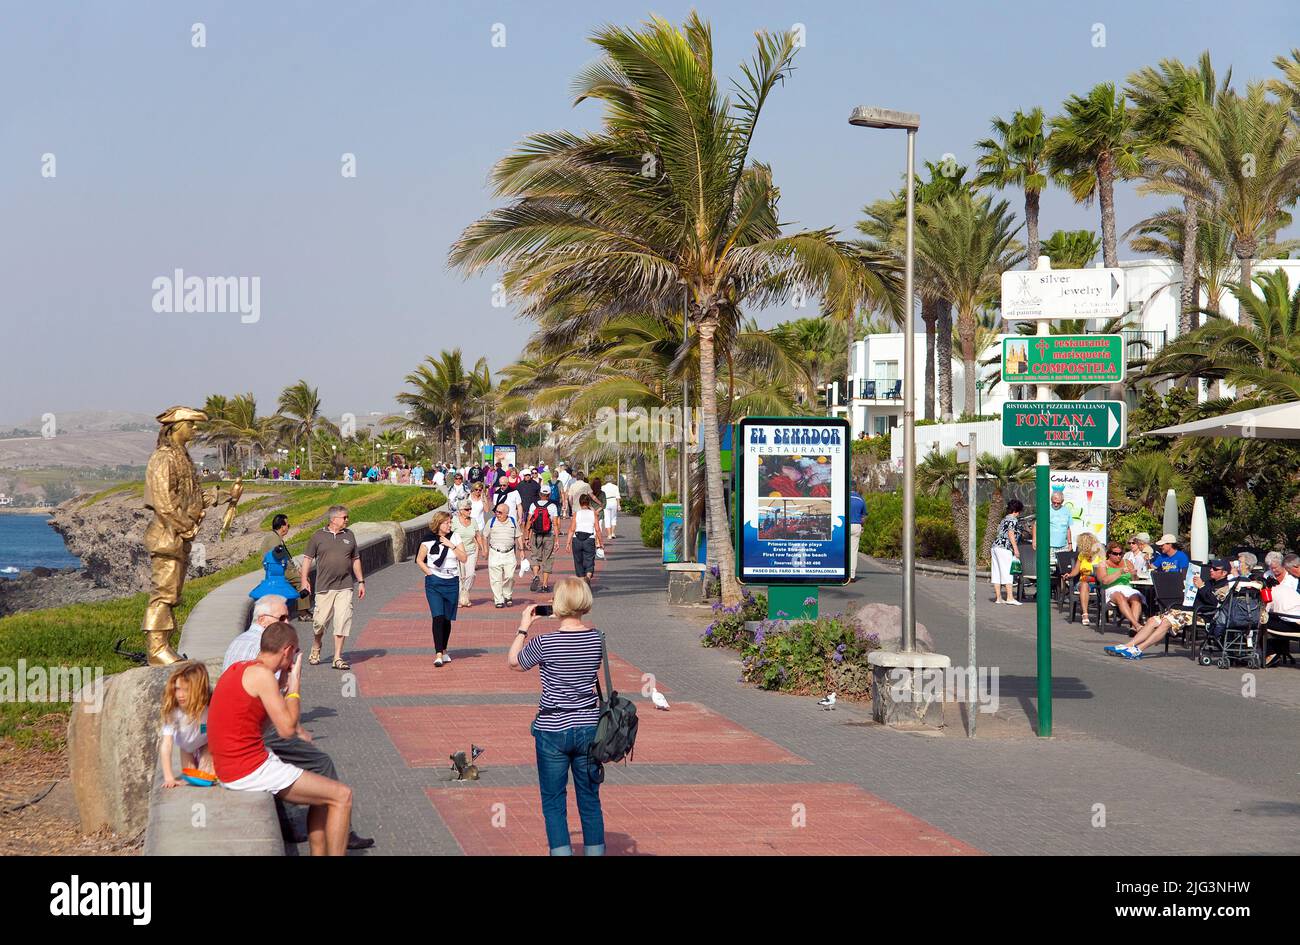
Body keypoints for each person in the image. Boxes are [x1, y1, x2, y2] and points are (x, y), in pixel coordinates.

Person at [222, 596, 373, 850]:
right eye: (281, 619)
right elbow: (285, 727)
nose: (287, 622)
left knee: (320, 784)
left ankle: (310, 834)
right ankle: (334, 832)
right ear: (286, 651)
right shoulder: (260, 667)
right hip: (245, 761)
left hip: (237, 751)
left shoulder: (245, 654)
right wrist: (295, 684)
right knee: (338, 792)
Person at [508, 577, 605, 856]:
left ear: (557, 605)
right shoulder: (597, 639)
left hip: (552, 728)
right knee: (589, 800)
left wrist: (523, 627)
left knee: (553, 802)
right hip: (588, 726)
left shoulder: (545, 642)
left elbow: (514, 662)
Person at [1108, 559, 1240, 660]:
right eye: (1211, 567)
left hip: (1204, 615)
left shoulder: (1225, 586)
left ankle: (1139, 649)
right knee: (1153, 620)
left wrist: (1202, 587)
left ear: (1224, 573)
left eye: (1215, 569)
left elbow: (1215, 604)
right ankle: (1129, 645)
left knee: (1166, 622)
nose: (1211, 570)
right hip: (1189, 611)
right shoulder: (1209, 581)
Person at [300, 505, 366, 670]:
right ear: (334, 519)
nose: (347, 520)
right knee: (319, 623)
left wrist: (361, 581)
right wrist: (304, 581)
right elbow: (307, 559)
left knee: (342, 620)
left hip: (345, 586)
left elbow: (355, 559)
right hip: (324, 587)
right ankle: (317, 645)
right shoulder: (318, 536)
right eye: (344, 517)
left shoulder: (349, 535)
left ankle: (338, 657)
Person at [417, 511, 468, 667]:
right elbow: (419, 560)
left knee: (447, 618)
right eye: (447, 522)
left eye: (450, 522)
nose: (450, 525)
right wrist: (430, 574)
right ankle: (438, 653)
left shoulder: (455, 537)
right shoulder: (427, 539)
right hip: (434, 582)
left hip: (452, 581)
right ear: (438, 523)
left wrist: (451, 545)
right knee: (437, 616)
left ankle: (444, 650)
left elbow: (464, 558)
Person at [158, 662, 213, 788]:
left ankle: (205, 760)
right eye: (177, 689)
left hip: (206, 743)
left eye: (186, 690)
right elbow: (167, 744)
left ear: (199, 691)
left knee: (206, 777)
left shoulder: (208, 705)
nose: (180, 695)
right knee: (191, 778)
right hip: (186, 748)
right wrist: (169, 777)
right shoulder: (174, 712)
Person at [1094, 542, 1145, 628]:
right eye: (1115, 553)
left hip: (1127, 588)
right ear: (1109, 554)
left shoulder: (1127, 562)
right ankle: (1136, 625)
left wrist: (1134, 575)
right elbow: (1104, 581)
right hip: (1111, 590)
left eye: (1120, 553)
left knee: (1136, 597)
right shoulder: (1103, 564)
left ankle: (1133, 627)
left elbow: (1135, 581)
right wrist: (1120, 572)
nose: (1118, 556)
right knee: (1119, 595)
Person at [485, 501, 522, 608]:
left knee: (509, 576)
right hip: (494, 553)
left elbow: (518, 536)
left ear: (507, 513)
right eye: (496, 512)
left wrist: (522, 549)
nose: (497, 514)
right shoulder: (491, 521)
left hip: (509, 553)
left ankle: (507, 595)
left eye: (500, 512)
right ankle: (498, 600)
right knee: (495, 579)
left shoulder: (513, 522)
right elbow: (484, 536)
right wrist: (484, 549)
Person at [451, 500, 486, 607]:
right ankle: (460, 599)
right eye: (467, 509)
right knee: (459, 576)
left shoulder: (473, 521)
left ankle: (464, 593)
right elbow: (448, 534)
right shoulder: (454, 521)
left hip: (471, 551)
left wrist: (483, 548)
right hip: (457, 552)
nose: (469, 511)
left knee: (471, 574)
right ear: (460, 510)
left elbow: (478, 536)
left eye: (470, 509)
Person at [1063, 532, 1104, 625]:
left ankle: (1102, 614)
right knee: (1084, 584)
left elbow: (1103, 571)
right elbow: (1076, 570)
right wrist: (1069, 575)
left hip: (1097, 582)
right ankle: (1085, 614)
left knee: (1090, 583)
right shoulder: (1082, 555)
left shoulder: (1100, 556)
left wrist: (1092, 574)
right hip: (1083, 581)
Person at [990, 499, 1024, 606]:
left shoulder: (1003, 520)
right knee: (1007, 572)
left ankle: (999, 597)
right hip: (1005, 548)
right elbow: (1011, 534)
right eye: (1019, 512)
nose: (1019, 514)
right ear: (1016, 511)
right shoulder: (1013, 520)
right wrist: (1016, 549)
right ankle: (1010, 597)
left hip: (995, 546)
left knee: (996, 572)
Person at [525, 489, 559, 593]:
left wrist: (526, 537)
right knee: (548, 558)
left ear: (540, 494)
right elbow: (555, 523)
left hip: (536, 535)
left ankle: (535, 575)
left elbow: (529, 521)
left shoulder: (533, 505)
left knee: (535, 556)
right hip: (549, 535)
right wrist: (557, 540)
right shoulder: (552, 506)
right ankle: (544, 585)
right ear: (549, 494)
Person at [566, 493, 604, 584]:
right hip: (589, 539)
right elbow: (597, 529)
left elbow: (572, 529)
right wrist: (601, 542)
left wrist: (568, 543)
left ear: (580, 503)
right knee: (589, 560)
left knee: (578, 561)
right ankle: (588, 576)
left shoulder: (576, 514)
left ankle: (582, 581)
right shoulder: (593, 514)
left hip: (577, 539)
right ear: (589, 503)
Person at [1031, 488, 1073, 559]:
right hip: (1049, 546)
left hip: (1063, 546)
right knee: (1050, 568)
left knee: (1063, 568)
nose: (1056, 505)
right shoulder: (1045, 509)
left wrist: (1070, 543)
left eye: (1058, 503)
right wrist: (1034, 540)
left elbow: (1068, 528)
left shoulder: (1067, 511)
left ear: (1062, 502)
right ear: (1051, 500)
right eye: (1054, 502)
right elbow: (1035, 525)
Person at [848, 487, 867, 582]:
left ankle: (841, 573)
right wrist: (862, 526)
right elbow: (863, 517)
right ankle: (851, 575)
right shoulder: (860, 499)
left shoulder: (844, 497)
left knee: (842, 549)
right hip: (856, 525)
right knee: (853, 551)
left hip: (844, 525)